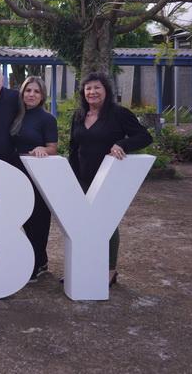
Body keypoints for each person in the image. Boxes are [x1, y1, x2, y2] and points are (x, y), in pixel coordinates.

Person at [69, 72, 153, 285]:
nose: (92, 92)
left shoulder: (119, 114)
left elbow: (145, 137)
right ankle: (85, 265)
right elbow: (73, 147)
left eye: (97, 87)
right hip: (82, 177)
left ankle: (109, 270)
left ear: (106, 90)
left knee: (106, 223)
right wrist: (70, 177)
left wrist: (122, 144)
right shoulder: (78, 115)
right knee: (83, 224)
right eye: (88, 88)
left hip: (108, 177)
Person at [10, 76, 58, 282]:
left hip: (38, 176)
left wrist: (42, 148)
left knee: (38, 220)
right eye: (28, 90)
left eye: (36, 91)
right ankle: (40, 259)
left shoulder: (47, 119)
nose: (31, 94)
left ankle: (37, 264)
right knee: (24, 220)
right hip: (16, 174)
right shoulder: (16, 116)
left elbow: (53, 148)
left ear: (42, 95)